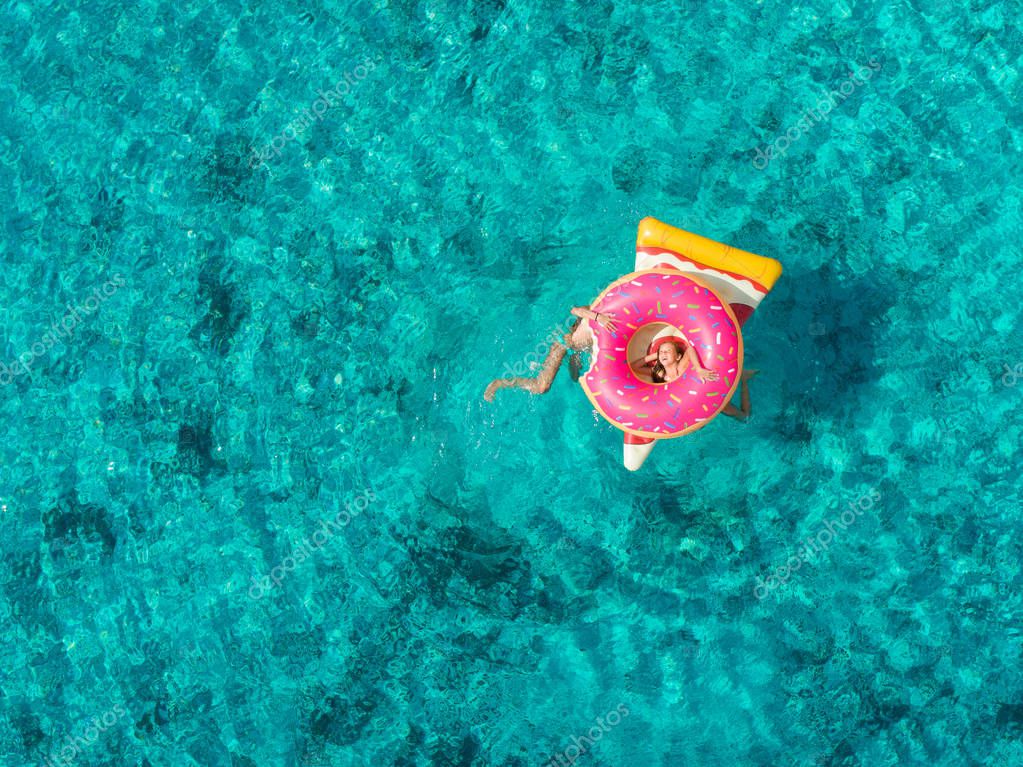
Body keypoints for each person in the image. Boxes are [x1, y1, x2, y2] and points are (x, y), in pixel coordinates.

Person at [483, 305, 617, 401]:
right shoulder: (601, 308)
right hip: (563, 344)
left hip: (576, 350)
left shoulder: (616, 329)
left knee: (575, 378)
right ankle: (499, 383)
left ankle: (571, 359)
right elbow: (574, 310)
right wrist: (598, 317)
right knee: (542, 387)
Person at [630, 340, 719, 384]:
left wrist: (699, 369)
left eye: (668, 351)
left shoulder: (681, 367)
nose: (663, 353)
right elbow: (634, 367)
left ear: (678, 357)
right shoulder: (659, 373)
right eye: (661, 352)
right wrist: (655, 355)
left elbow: (690, 350)